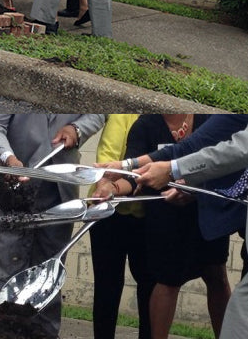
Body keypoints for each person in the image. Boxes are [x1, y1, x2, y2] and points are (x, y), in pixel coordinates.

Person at [94, 115, 231, 339]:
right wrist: (111, 189)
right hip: (165, 217)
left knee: (216, 274)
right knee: (167, 281)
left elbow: (224, 161)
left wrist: (194, 187)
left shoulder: (209, 119)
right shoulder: (146, 124)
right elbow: (134, 177)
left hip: (206, 211)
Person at [0, 114, 105, 339]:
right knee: (6, 283)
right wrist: (8, 160)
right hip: (7, 191)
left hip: (57, 195)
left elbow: (99, 111)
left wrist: (77, 128)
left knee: (48, 283)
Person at [135, 115, 248, 339]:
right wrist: (126, 167)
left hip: (225, 220)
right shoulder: (147, 124)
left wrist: (175, 170)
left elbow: (243, 148)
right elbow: (192, 147)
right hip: (191, 219)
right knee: (239, 317)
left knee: (237, 311)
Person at [88, 114, 154, 339]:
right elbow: (106, 155)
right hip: (108, 213)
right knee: (107, 287)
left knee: (150, 288)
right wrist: (105, 186)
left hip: (149, 217)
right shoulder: (124, 114)